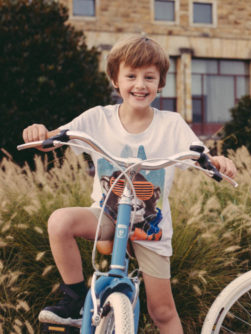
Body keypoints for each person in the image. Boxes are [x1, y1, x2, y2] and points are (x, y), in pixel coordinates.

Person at [22, 36, 236, 333]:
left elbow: (203, 157)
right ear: (115, 79)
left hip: (150, 227)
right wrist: (40, 133)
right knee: (60, 222)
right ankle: (72, 301)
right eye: (131, 76)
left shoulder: (171, 124)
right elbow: (54, 138)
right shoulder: (97, 119)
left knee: (161, 311)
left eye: (149, 77)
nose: (140, 84)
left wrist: (220, 162)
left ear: (161, 83)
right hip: (107, 217)